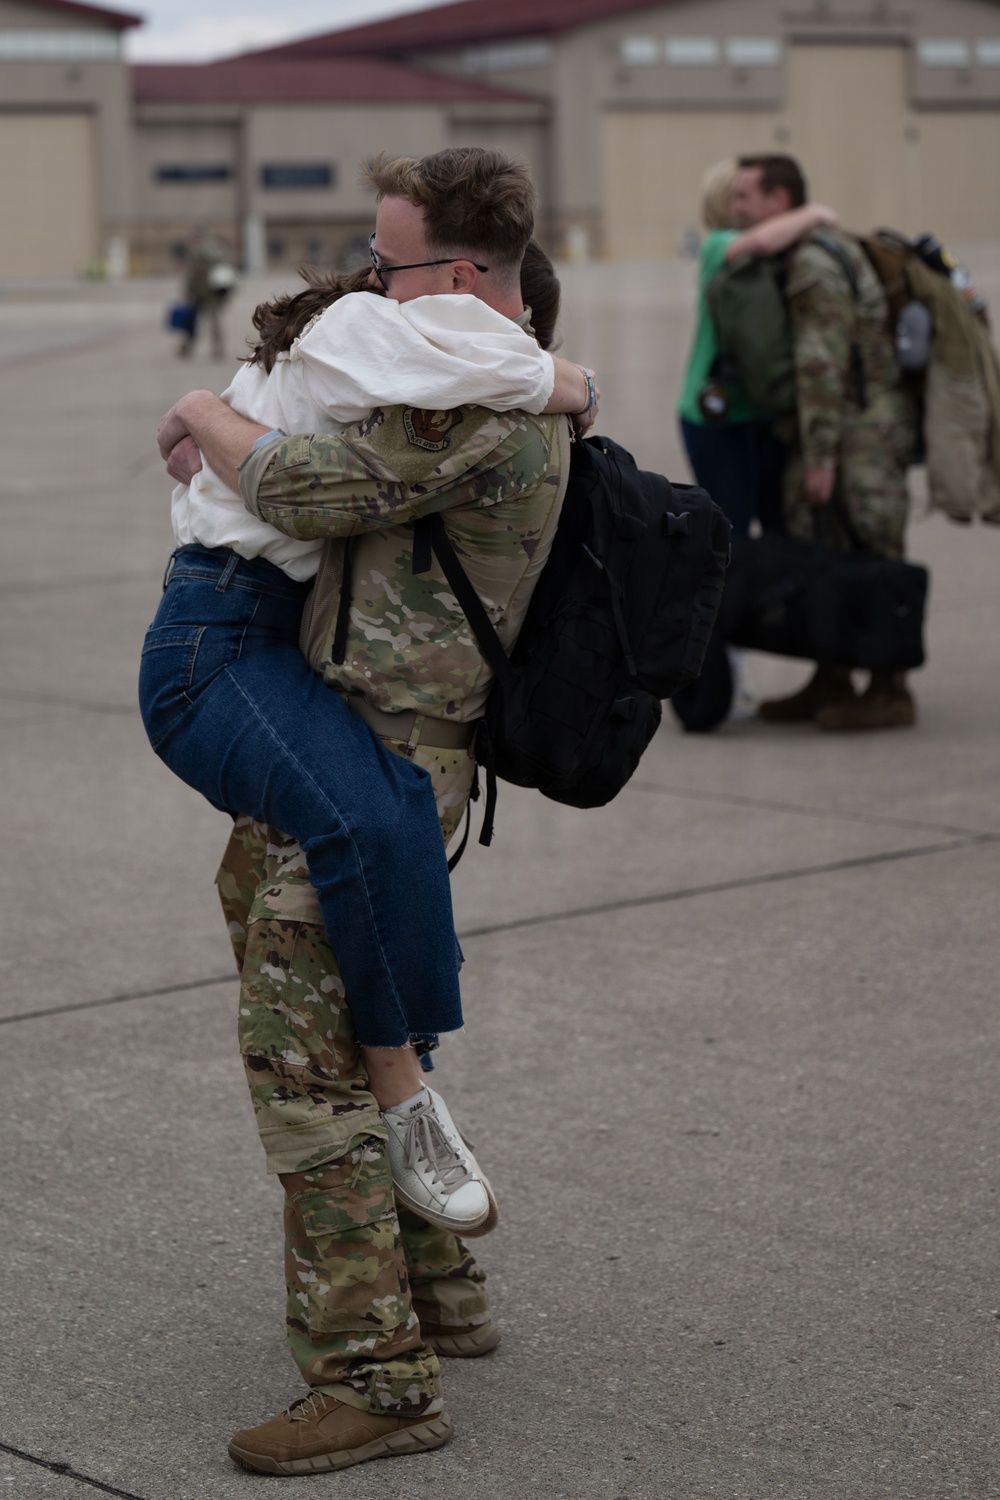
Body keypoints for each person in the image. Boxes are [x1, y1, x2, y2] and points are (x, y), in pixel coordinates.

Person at [157, 147, 587, 1474]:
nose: (374, 295)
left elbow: (297, 486)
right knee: (362, 1028)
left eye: (394, 275)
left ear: (464, 294)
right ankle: (443, 1297)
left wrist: (200, 410)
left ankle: (374, 1379)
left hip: (386, 751)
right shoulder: (472, 387)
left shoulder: (482, 415)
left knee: (312, 1067)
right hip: (349, 736)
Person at [731, 153, 918, 730]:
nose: (739, 208)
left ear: (779, 201)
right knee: (824, 550)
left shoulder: (813, 262)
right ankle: (832, 675)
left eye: (747, 197)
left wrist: (819, 454)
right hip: (847, 425)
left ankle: (891, 688)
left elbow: (821, 363)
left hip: (860, 431)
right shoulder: (807, 250)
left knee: (873, 552)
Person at [674, 159, 837, 725]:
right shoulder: (723, 244)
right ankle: (715, 675)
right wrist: (814, 213)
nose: (742, 205)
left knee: (774, 536)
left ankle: (758, 658)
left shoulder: (775, 252)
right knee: (728, 543)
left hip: (755, 419)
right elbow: (757, 240)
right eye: (736, 196)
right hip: (713, 417)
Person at [179, 228, 232, 360]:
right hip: (206, 291)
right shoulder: (214, 249)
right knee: (202, 319)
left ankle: (192, 347)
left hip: (204, 291)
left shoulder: (201, 251)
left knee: (198, 319)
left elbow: (194, 273)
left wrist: (189, 289)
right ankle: (213, 347)